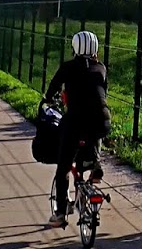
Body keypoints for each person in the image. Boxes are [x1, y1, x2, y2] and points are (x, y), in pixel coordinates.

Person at [43, 30, 110, 228]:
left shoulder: (67, 67)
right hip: (102, 119)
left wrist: (48, 99)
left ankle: (60, 213)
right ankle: (95, 163)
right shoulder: (101, 68)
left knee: (63, 168)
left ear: (75, 48)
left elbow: (52, 90)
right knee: (95, 129)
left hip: (75, 121)